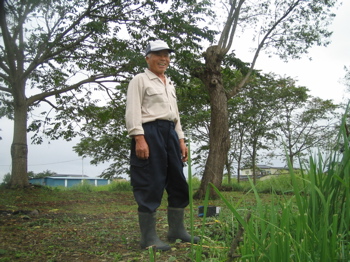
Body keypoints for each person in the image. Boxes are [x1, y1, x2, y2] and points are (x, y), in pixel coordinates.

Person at [125, 40, 199, 251]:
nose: (163, 58)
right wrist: (139, 137)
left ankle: (176, 231)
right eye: (158, 54)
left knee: (178, 180)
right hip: (150, 132)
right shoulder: (140, 80)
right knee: (150, 181)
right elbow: (132, 111)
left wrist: (181, 140)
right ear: (147, 57)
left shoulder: (169, 84)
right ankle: (148, 238)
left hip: (170, 134)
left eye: (166, 55)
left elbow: (175, 116)